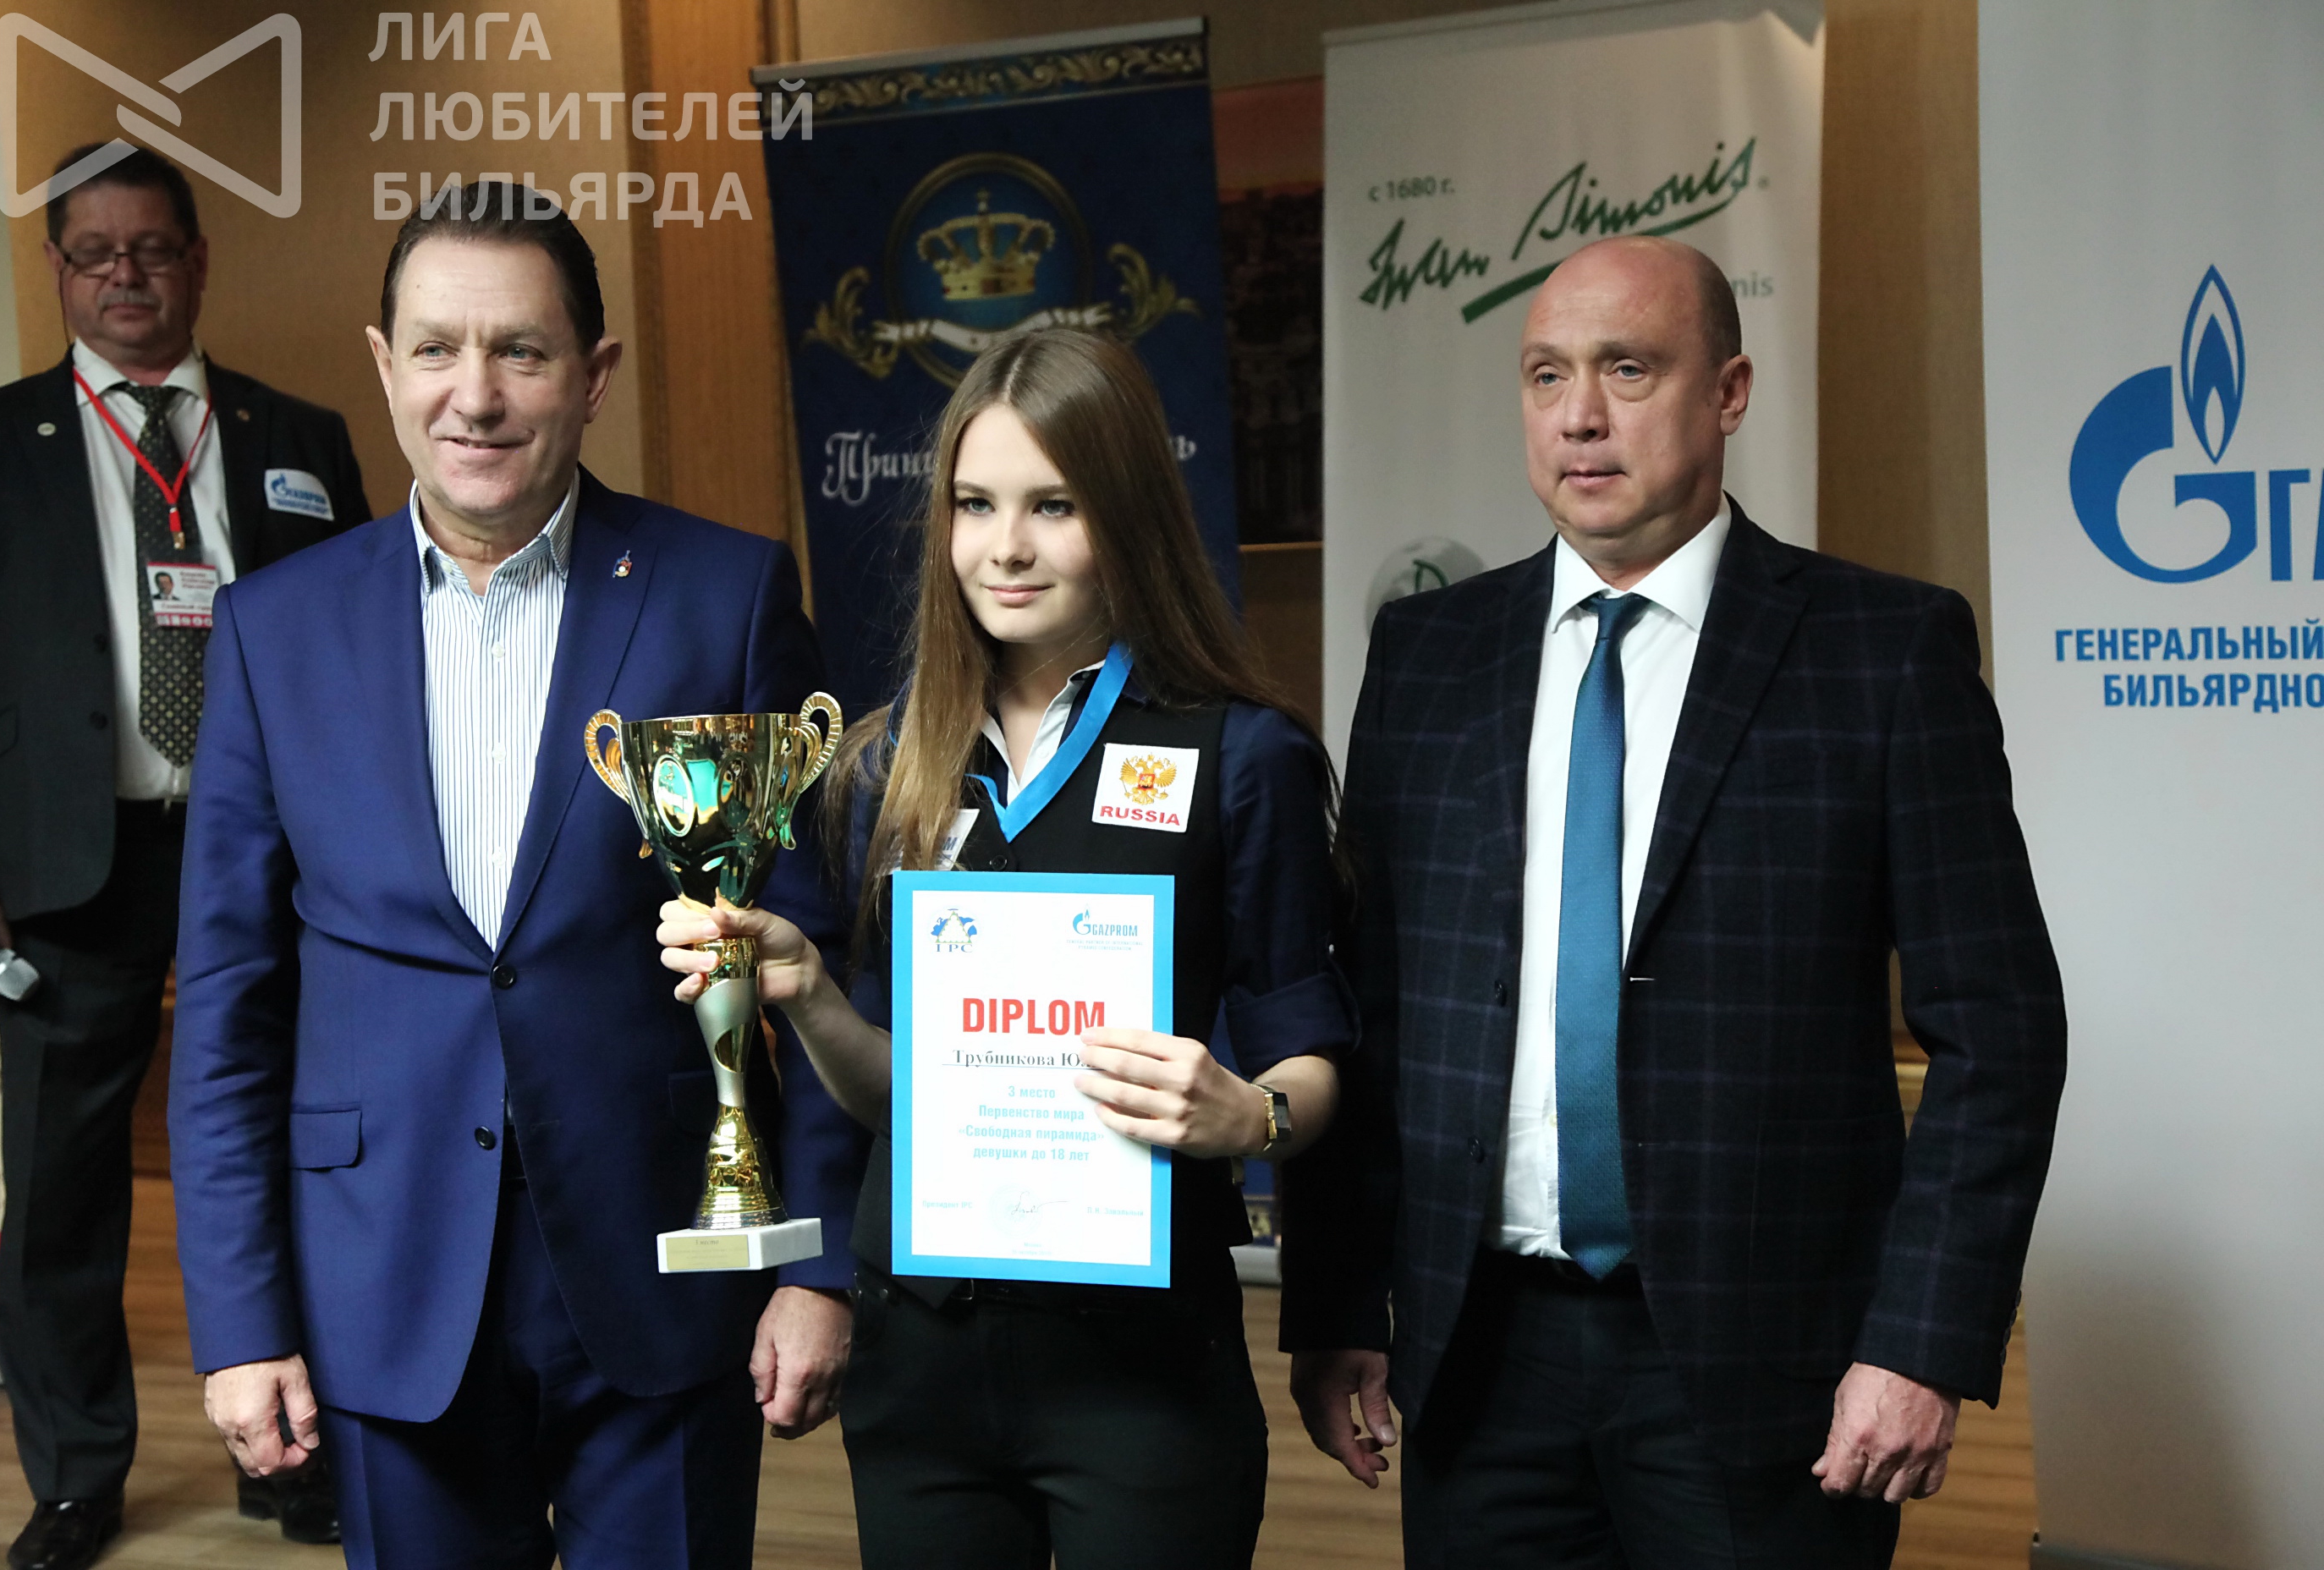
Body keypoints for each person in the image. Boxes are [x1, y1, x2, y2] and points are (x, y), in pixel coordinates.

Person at [1281, 237, 2069, 1567]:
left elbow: (2000, 1030)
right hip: (1479, 1362)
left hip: (1776, 1375)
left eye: (1628, 370)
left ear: (1730, 393)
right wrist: (1339, 1303)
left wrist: (1920, 1344)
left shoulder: (1882, 652)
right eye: (1546, 376)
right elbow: (1373, 1007)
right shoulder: (1427, 655)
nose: (1579, 415)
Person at [167, 182, 868, 1569]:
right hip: (381, 1276)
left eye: (521, 351)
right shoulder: (273, 632)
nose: (474, 395)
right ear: (385, 365)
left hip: (667, 1265)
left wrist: (820, 1264)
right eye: (436, 349)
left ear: (593, 375)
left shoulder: (723, 596)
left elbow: (816, 957)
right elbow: (231, 1006)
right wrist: (241, 1324)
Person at [657, 327, 1354, 1569]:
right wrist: (810, 997)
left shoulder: (1240, 754)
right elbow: (898, 1091)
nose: (1006, 547)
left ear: (1127, 514)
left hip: (1141, 1368)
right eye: (975, 505)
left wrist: (1249, 1116)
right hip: (923, 1368)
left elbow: (1314, 1050)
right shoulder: (889, 762)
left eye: (1054, 505)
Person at [0, 145, 369, 1570]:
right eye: (94, 252)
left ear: (198, 262)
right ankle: (78, 1480)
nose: (124, 275)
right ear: (58, 272)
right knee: (62, 1191)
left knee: (297, 1154)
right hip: (68, 860)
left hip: (270, 856)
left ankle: (298, 1455)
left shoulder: (297, 435)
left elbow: (362, 653)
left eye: (150, 248)